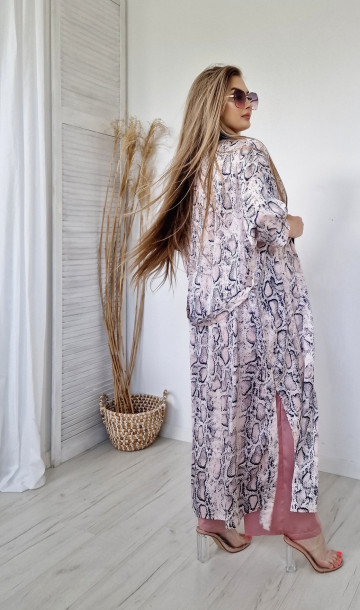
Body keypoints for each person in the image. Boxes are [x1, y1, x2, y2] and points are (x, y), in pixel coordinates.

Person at [130, 65, 343, 573]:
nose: (248, 104)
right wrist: (297, 223)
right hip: (259, 314)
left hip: (212, 320)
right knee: (286, 410)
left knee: (221, 415)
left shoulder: (193, 169)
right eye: (236, 96)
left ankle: (216, 521)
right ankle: (301, 529)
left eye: (250, 95)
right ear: (213, 104)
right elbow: (269, 224)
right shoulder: (248, 154)